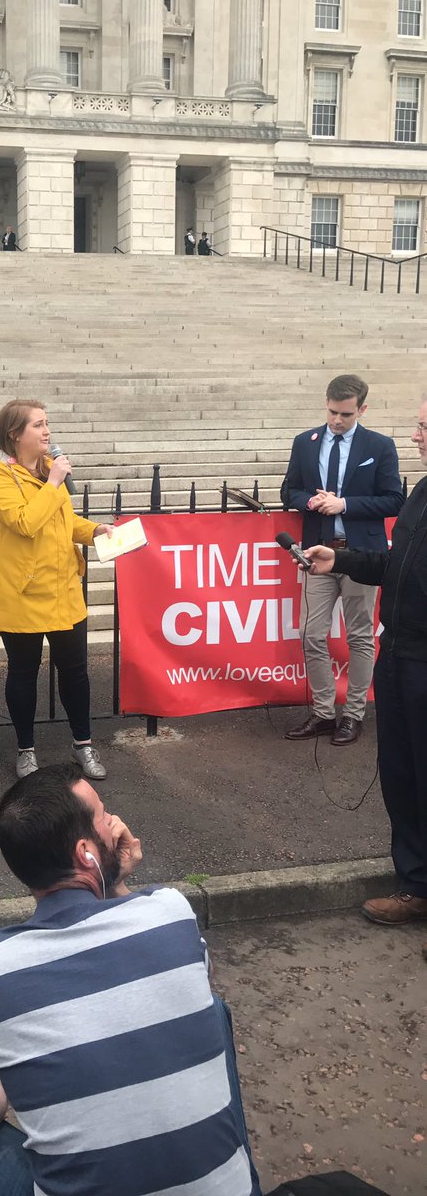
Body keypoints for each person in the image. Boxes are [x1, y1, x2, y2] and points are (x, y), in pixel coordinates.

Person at [0, 763, 263, 1196]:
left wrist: (21, 1069)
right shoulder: (169, 911)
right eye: (104, 815)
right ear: (86, 852)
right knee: (212, 1009)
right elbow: (193, 976)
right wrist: (116, 882)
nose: (115, 822)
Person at [302, 399, 427, 927]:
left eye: (425, 427)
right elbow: (397, 564)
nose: (417, 435)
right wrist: (344, 558)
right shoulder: (423, 491)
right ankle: (416, 886)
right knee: (401, 777)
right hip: (398, 654)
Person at [0, 401, 111, 779]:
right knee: (23, 672)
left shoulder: (48, 468)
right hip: (22, 592)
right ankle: (26, 750)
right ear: (15, 434)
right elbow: (25, 522)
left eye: (47, 423)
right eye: (38, 425)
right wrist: (53, 483)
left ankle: (83, 744)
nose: (47, 431)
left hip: (63, 587)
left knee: (75, 671)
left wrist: (96, 531)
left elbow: (62, 521)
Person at [282, 374, 403, 745]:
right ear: (326, 404)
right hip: (317, 551)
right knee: (311, 634)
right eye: (333, 412)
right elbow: (289, 490)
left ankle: (353, 714)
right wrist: (309, 501)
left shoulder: (379, 445)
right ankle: (322, 713)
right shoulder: (305, 442)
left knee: (360, 635)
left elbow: (394, 499)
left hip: (360, 555)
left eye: (346, 414)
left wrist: (344, 504)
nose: (337, 420)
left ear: (362, 409)